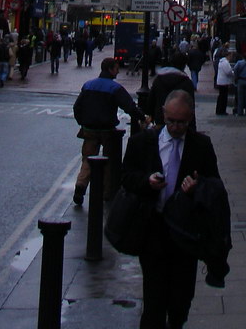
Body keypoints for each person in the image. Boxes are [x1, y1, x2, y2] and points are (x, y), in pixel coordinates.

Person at [121, 90, 221, 329]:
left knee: (181, 301)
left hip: (185, 235)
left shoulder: (201, 145)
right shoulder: (143, 142)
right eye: (171, 121)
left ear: (191, 118)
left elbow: (215, 186)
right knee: (154, 302)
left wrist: (198, 188)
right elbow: (125, 177)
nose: (176, 127)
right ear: (163, 114)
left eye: (182, 122)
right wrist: (147, 182)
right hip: (152, 230)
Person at [72, 56, 145, 206]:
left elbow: (77, 107)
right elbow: (129, 106)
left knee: (87, 159)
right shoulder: (114, 88)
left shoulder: (88, 85)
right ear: (110, 69)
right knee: (108, 161)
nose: (118, 72)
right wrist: (141, 117)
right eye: (116, 69)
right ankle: (107, 193)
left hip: (89, 129)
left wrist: (82, 122)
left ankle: (80, 186)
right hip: (107, 130)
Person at [147, 52, 196, 125]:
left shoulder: (159, 79)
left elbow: (151, 100)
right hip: (180, 121)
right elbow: (190, 106)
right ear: (184, 65)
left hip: (161, 118)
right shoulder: (187, 83)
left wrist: (151, 115)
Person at [215, 50, 235, 115]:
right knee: (223, 97)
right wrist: (233, 73)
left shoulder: (221, 62)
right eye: (231, 56)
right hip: (224, 82)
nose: (231, 57)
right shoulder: (225, 62)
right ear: (228, 55)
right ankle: (222, 110)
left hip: (220, 81)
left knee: (221, 96)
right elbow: (228, 71)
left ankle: (219, 110)